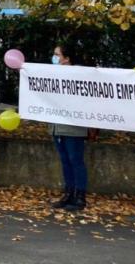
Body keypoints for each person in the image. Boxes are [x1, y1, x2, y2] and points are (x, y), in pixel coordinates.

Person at [49, 44, 89, 211]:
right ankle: (69, 192)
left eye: (57, 54)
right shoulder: (51, 74)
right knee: (65, 161)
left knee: (75, 160)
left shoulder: (79, 74)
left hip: (73, 126)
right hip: (57, 126)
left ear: (67, 58)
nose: (54, 57)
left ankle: (80, 195)